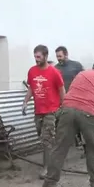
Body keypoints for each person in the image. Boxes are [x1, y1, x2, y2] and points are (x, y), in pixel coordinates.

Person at [22, 45, 65, 179]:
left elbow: (62, 90)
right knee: (43, 137)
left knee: (47, 139)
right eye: (35, 57)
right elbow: (31, 88)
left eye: (39, 57)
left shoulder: (54, 72)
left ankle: (47, 168)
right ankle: (54, 159)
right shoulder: (32, 71)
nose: (36, 59)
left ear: (46, 56)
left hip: (51, 110)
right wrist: (25, 102)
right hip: (38, 110)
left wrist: (64, 105)